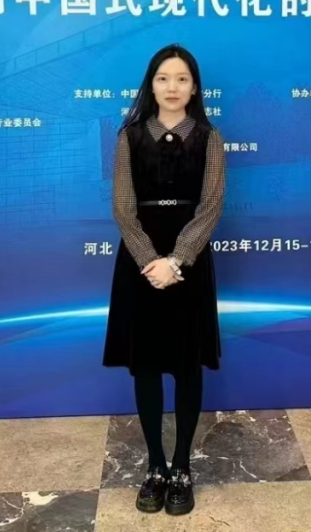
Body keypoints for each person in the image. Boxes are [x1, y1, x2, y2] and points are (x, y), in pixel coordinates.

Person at [102, 44, 225, 516]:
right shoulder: (130, 136)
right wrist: (150, 260)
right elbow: (122, 208)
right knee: (148, 365)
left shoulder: (209, 138)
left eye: (182, 79)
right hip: (140, 264)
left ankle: (181, 467)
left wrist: (177, 261)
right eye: (163, 78)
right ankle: (154, 464)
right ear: (150, 85)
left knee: (187, 366)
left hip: (188, 264)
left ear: (194, 88)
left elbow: (210, 207)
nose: (172, 87)